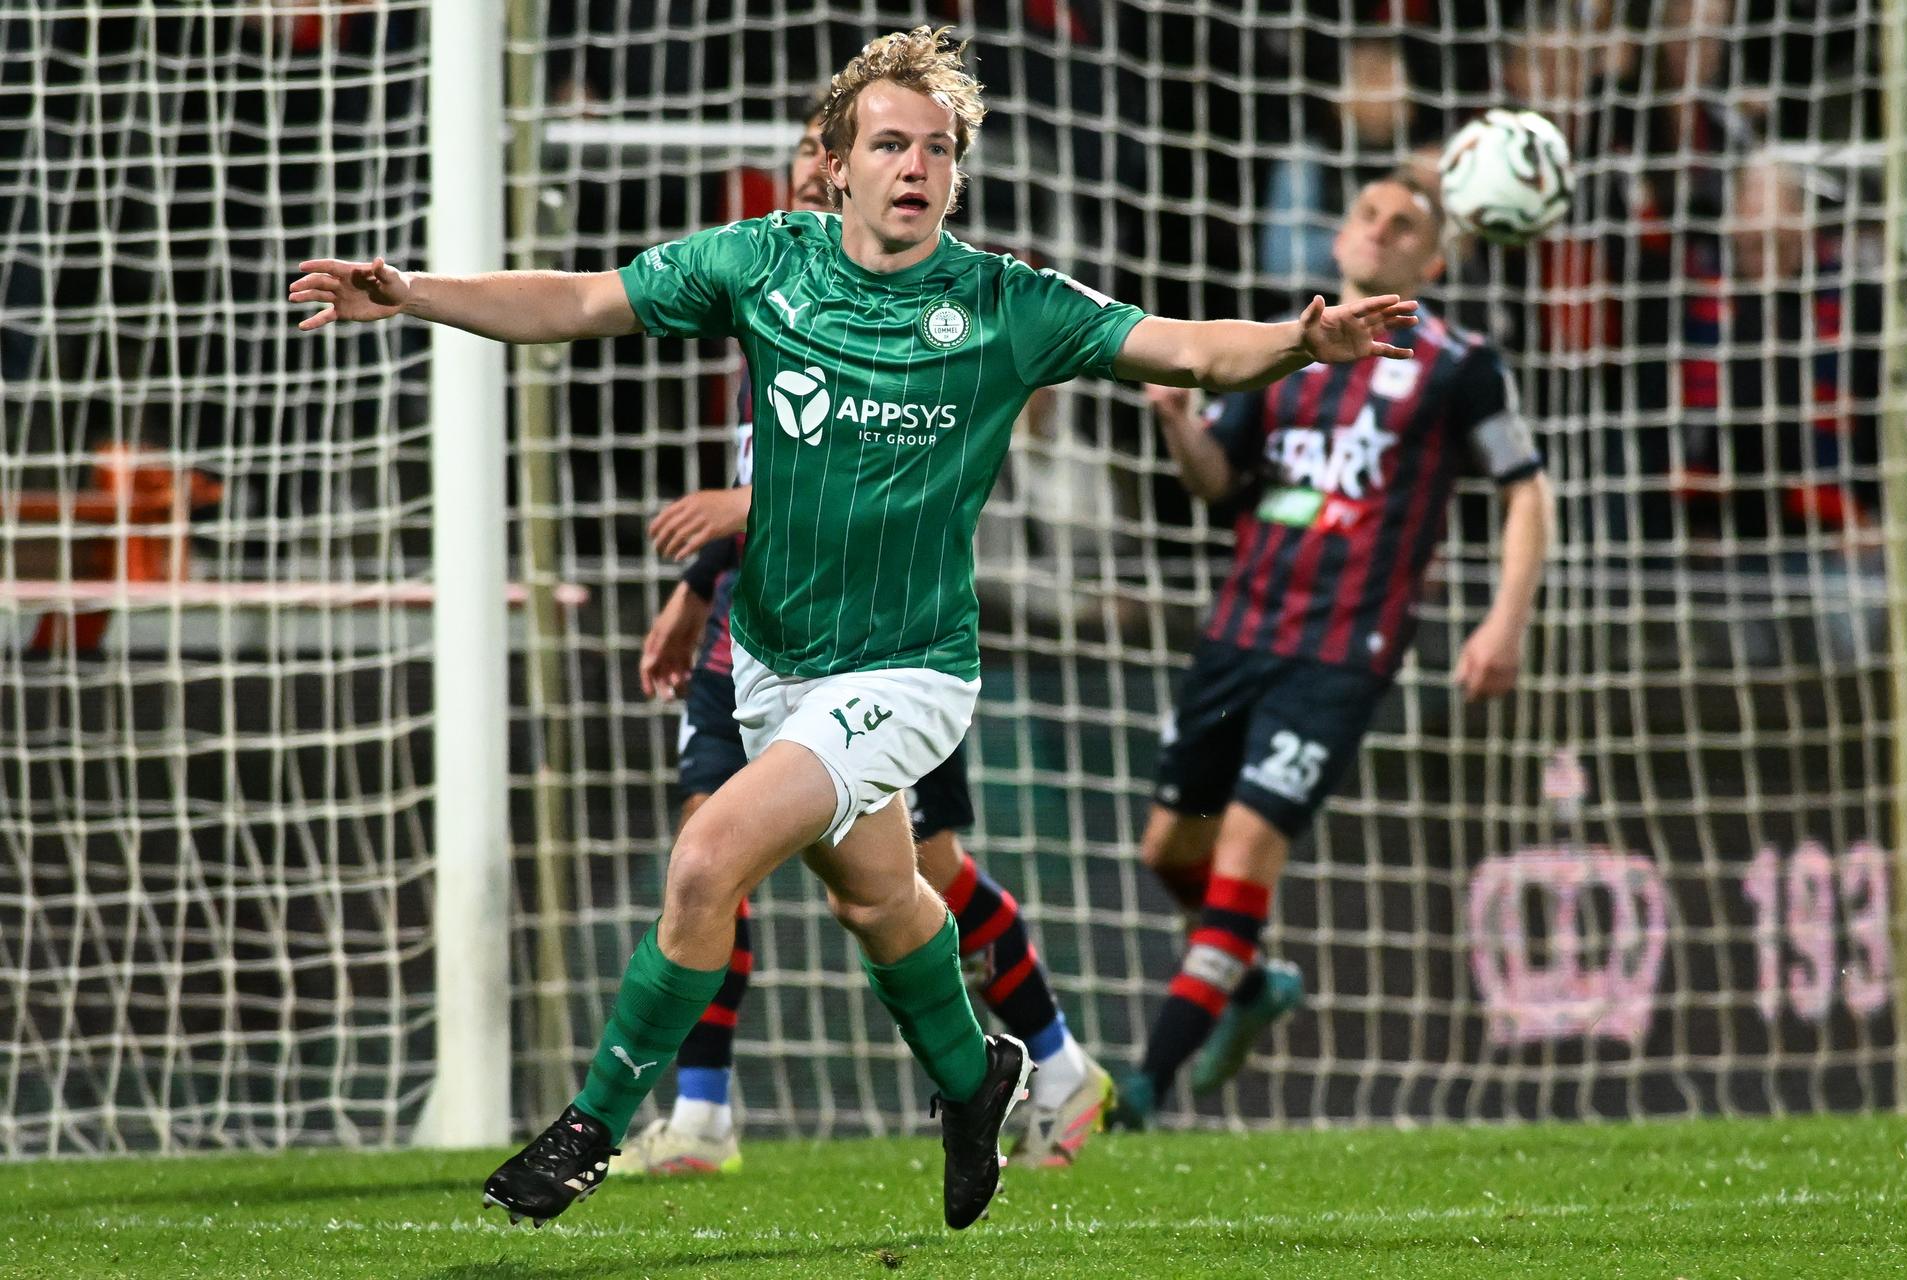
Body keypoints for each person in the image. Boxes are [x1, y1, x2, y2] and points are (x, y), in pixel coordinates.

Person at [289, 26, 1415, 1230]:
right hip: (776, 655)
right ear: (835, 160)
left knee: (708, 855)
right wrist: (414, 295)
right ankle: (978, 1070)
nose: (916, 165)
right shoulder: (764, 262)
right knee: (882, 904)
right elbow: (575, 299)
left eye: (938, 149)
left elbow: (1187, 348)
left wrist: (1302, 338)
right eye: (890, 142)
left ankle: (594, 1123)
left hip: (910, 668)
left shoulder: (1005, 302)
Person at [624, 100, 1112, 1178]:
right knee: (715, 843)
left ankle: (1057, 1057)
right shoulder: (771, 281)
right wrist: (700, 587)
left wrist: (735, 513)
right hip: (756, 627)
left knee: (915, 875)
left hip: (885, 632)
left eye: (915, 151)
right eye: (817, 157)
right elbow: (785, 465)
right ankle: (700, 1109)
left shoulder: (918, 297)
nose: (815, 176)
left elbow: (858, 481)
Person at [1115, 172, 1550, 1127]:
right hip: (1240, 630)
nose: (1382, 232)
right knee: (1166, 849)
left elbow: (1526, 486)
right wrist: (1181, 425)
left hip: (1343, 652)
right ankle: (1254, 980)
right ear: (1341, 238)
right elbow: (1219, 488)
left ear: (1432, 263)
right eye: (1368, 215)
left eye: (1406, 226)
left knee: (1245, 844)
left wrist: (1504, 619)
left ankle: (1142, 1088)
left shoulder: (1462, 364)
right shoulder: (1287, 350)